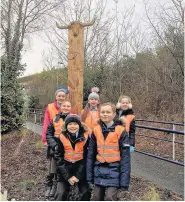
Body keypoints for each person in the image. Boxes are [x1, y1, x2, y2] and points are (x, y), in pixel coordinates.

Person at [86, 102, 131, 201]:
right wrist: (89, 177)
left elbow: (125, 158)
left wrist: (124, 183)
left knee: (110, 197)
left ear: (114, 114)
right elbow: (91, 155)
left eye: (108, 112)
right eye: (102, 112)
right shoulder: (96, 130)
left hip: (115, 170)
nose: (105, 114)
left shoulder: (120, 131)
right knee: (96, 197)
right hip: (99, 170)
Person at [54, 114, 91, 201]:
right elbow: (59, 158)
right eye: (70, 124)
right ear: (66, 125)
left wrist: (77, 176)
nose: (72, 126)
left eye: (75, 124)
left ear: (79, 125)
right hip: (65, 169)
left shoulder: (86, 137)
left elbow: (86, 158)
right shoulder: (61, 137)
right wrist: (68, 177)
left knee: (85, 193)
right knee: (60, 193)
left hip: (81, 169)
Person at [42, 86, 69, 198]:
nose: (61, 97)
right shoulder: (50, 107)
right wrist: (45, 139)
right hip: (53, 140)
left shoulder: (68, 109)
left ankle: (59, 186)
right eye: (59, 96)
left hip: (65, 142)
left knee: (62, 164)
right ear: (56, 96)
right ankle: (50, 185)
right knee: (53, 164)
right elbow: (46, 124)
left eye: (63, 96)